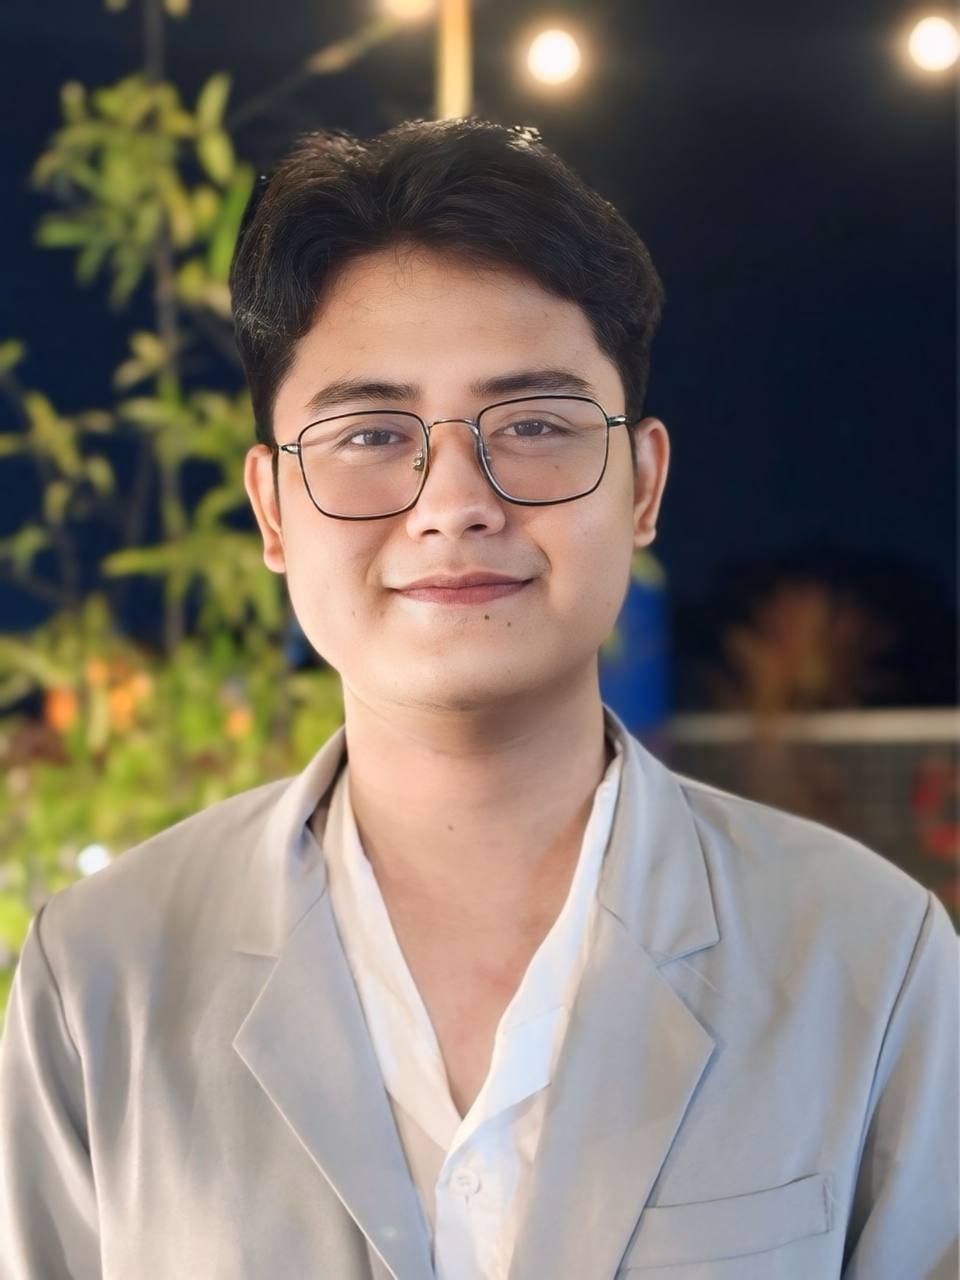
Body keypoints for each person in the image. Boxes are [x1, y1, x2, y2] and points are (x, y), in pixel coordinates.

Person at [0, 118, 956, 1280]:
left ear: (644, 483)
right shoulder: (102, 973)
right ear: (270, 509)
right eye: (369, 433)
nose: (453, 500)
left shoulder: (869, 954)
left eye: (537, 425)